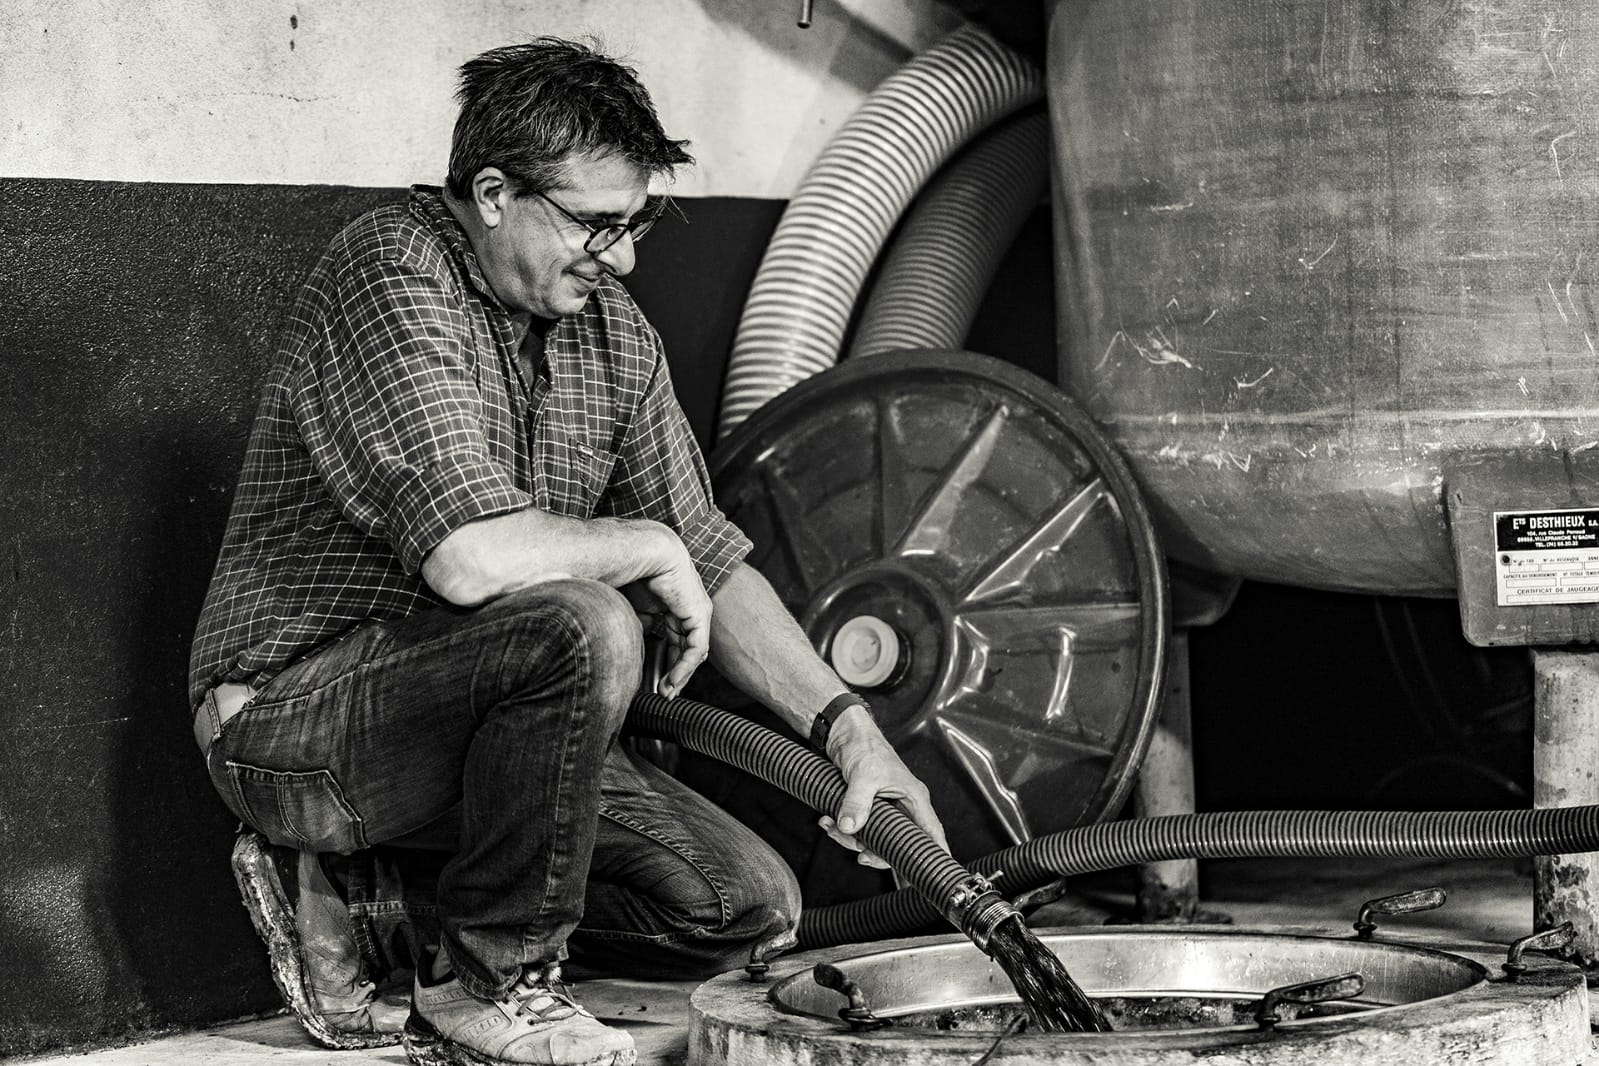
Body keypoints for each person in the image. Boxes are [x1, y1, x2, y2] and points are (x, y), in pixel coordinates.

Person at [187, 36, 945, 1066]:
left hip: (484, 750)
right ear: (494, 194)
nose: (622, 256)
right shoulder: (392, 271)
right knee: (585, 621)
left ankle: (385, 905)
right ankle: (491, 982)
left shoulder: (612, 332)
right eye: (596, 224)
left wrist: (851, 734)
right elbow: (467, 559)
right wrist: (643, 547)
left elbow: (710, 562)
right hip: (298, 730)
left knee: (746, 905)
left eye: (637, 223)